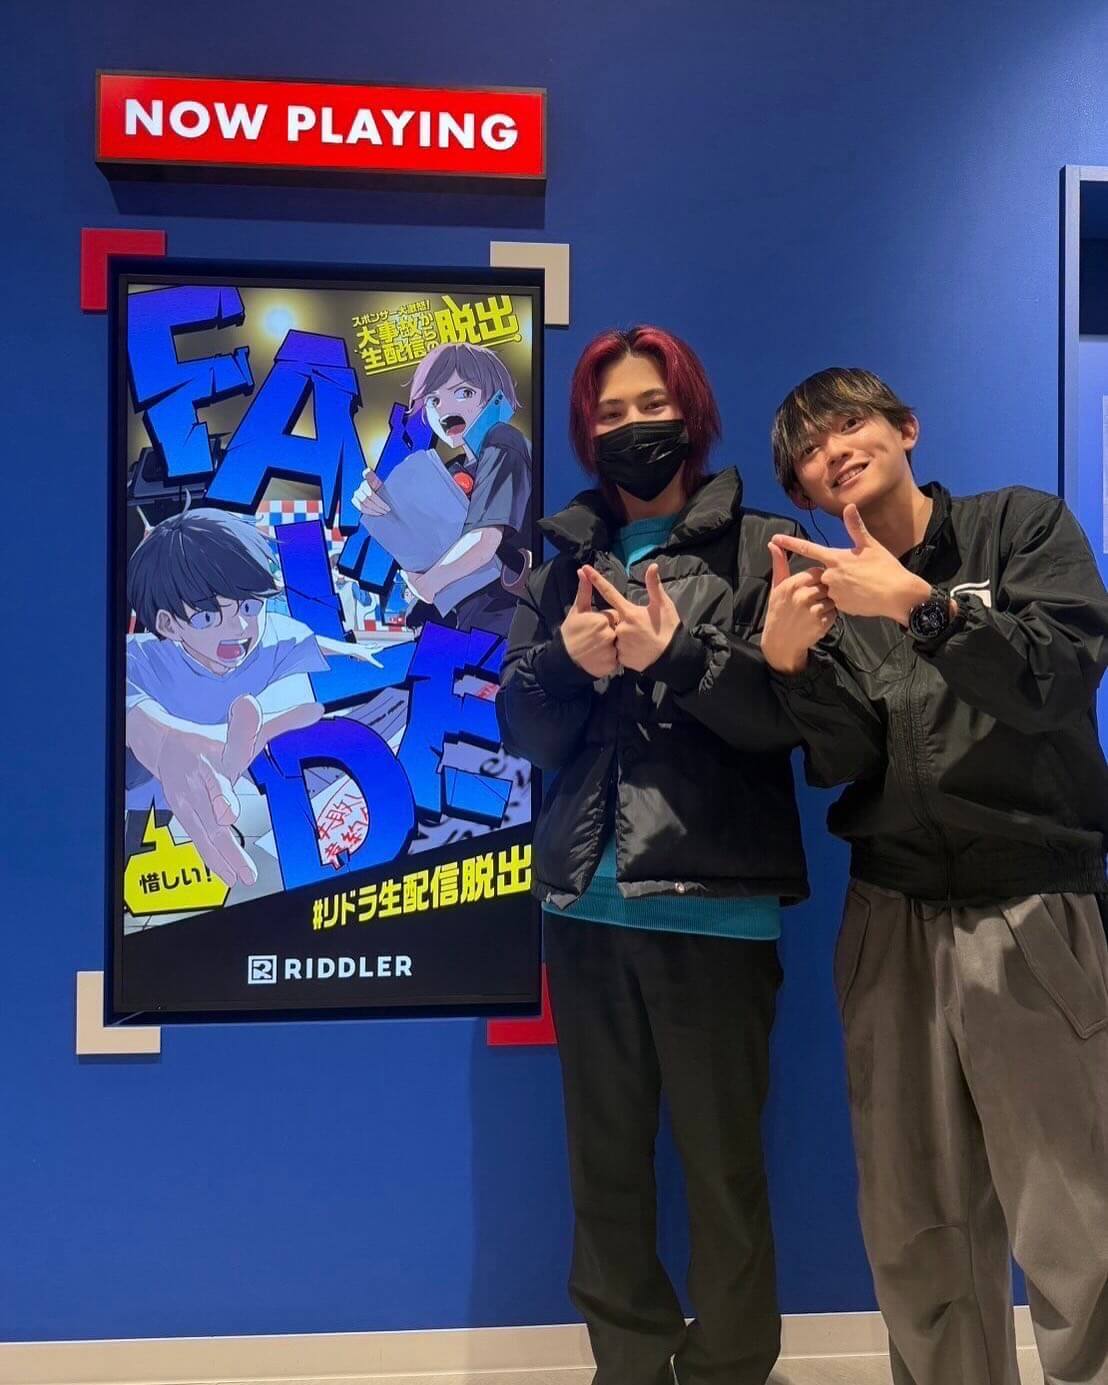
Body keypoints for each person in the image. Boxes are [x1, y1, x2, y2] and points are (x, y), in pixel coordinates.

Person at [762, 366, 1108, 1385]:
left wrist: (923, 608)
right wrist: (790, 669)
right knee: (917, 1231)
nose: (834, 452)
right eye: (810, 453)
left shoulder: (1019, 528)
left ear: (905, 428)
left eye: (850, 424)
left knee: (1078, 1217)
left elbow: (1059, 677)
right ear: (803, 491)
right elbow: (843, 759)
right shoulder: (828, 598)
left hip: (1034, 904)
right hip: (891, 918)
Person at [497, 326, 821, 1385]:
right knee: (603, 1167)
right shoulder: (561, 567)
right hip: (583, 912)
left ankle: (729, 1366)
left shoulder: (762, 547)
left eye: (651, 405)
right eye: (610, 412)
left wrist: (676, 654)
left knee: (724, 1168)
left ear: (691, 412)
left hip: (715, 909)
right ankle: (627, 1363)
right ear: (585, 431)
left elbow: (794, 720)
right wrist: (565, 665)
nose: (633, 427)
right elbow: (525, 735)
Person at [125, 507, 380, 886]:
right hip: (142, 799)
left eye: (249, 605)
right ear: (168, 624)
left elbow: (300, 638)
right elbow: (121, 697)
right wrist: (162, 741)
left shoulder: (269, 636)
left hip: (221, 802)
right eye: (207, 616)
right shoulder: (141, 658)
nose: (239, 626)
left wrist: (352, 650)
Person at [352, 342, 532, 635]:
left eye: (464, 393)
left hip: (504, 618)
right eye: (434, 400)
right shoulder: (452, 471)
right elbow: (421, 548)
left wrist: (427, 585)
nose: (445, 410)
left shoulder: (503, 441)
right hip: (463, 621)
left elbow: (484, 541)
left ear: (495, 397)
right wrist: (382, 502)